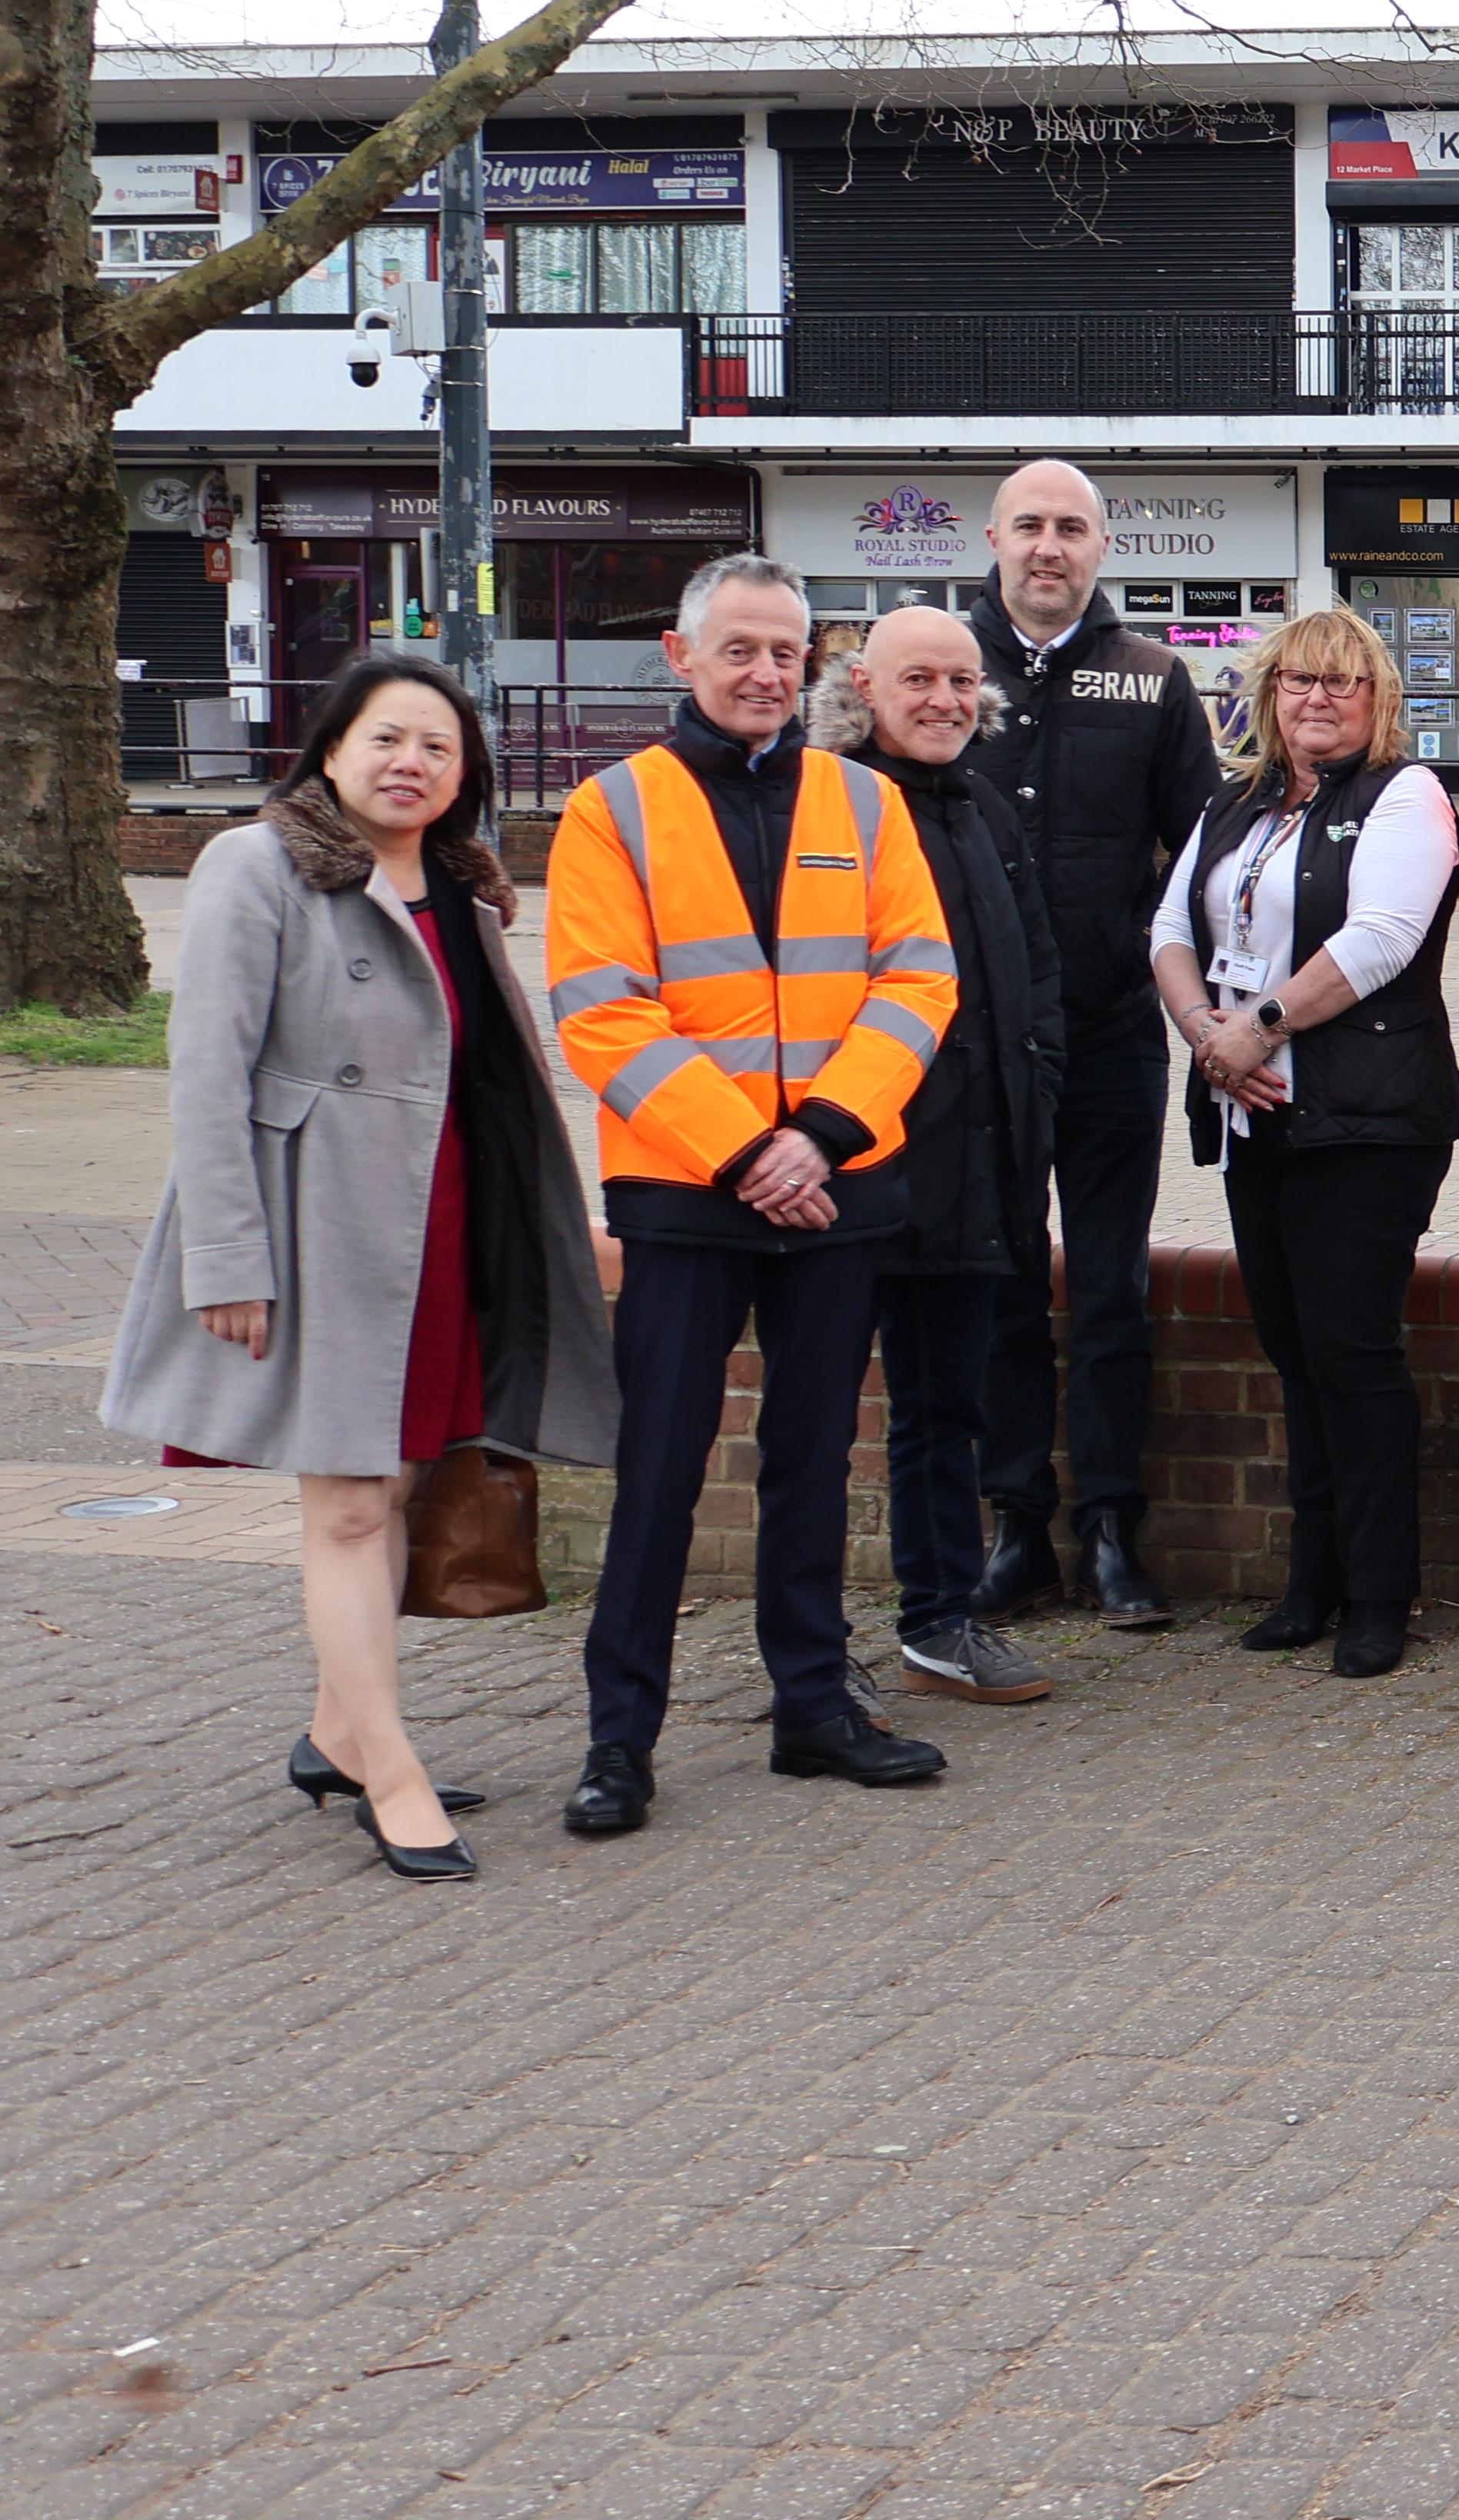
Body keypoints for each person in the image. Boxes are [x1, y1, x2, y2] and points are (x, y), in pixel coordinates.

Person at [105, 657, 619, 1881]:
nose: (412, 765)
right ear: (331, 750)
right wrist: (230, 1257)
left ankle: (339, 1732)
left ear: (465, 777)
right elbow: (207, 1078)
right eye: (387, 739)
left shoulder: (465, 889)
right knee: (343, 1503)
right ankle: (391, 1774)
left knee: (392, 1494)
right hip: (314, 1233)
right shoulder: (256, 865)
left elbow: (500, 1092)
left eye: (439, 750)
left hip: (445, 1232)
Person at [546, 556, 961, 1839]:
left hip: (834, 1182)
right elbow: (601, 1013)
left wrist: (821, 1136)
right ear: (681, 658)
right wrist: (745, 1152)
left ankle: (813, 1708)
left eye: (786, 653)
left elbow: (920, 980)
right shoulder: (610, 811)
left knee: (812, 1458)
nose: (765, 673)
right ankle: (622, 1738)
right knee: (659, 1468)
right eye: (739, 649)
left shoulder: (865, 801)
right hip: (686, 1188)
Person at [1151, 611, 1459, 1682]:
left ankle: (1380, 1595)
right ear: (1269, 693)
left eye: (1342, 683)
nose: (1317, 700)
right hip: (1253, 1113)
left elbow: (1380, 940)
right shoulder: (1234, 800)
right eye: (1297, 682)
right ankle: (1312, 1581)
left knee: (1353, 1352)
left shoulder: (1405, 797)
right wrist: (1209, 1038)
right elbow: (1168, 933)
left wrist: (1262, 1026)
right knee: (1293, 1353)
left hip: (1366, 1124)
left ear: (1377, 698)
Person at [961, 458, 1221, 1633]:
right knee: (1003, 1280)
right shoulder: (941, 673)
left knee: (1110, 1286)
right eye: (1030, 526)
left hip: (1114, 1037)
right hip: (977, 1051)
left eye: (1071, 528)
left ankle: (1112, 1526)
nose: (1049, 546)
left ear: (1103, 547)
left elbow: (1204, 864)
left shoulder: (1153, 681)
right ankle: (1016, 1526)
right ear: (994, 539)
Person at [809, 608, 1064, 1711]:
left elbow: (1033, 971)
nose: (947, 702)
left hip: (979, 1168)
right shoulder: (827, 807)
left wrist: (1036, 1093)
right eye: (920, 680)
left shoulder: (984, 806)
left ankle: (939, 1625)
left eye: (963, 683)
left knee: (946, 1413)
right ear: (865, 686)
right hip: (855, 1166)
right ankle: (810, 1651)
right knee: (816, 1424)